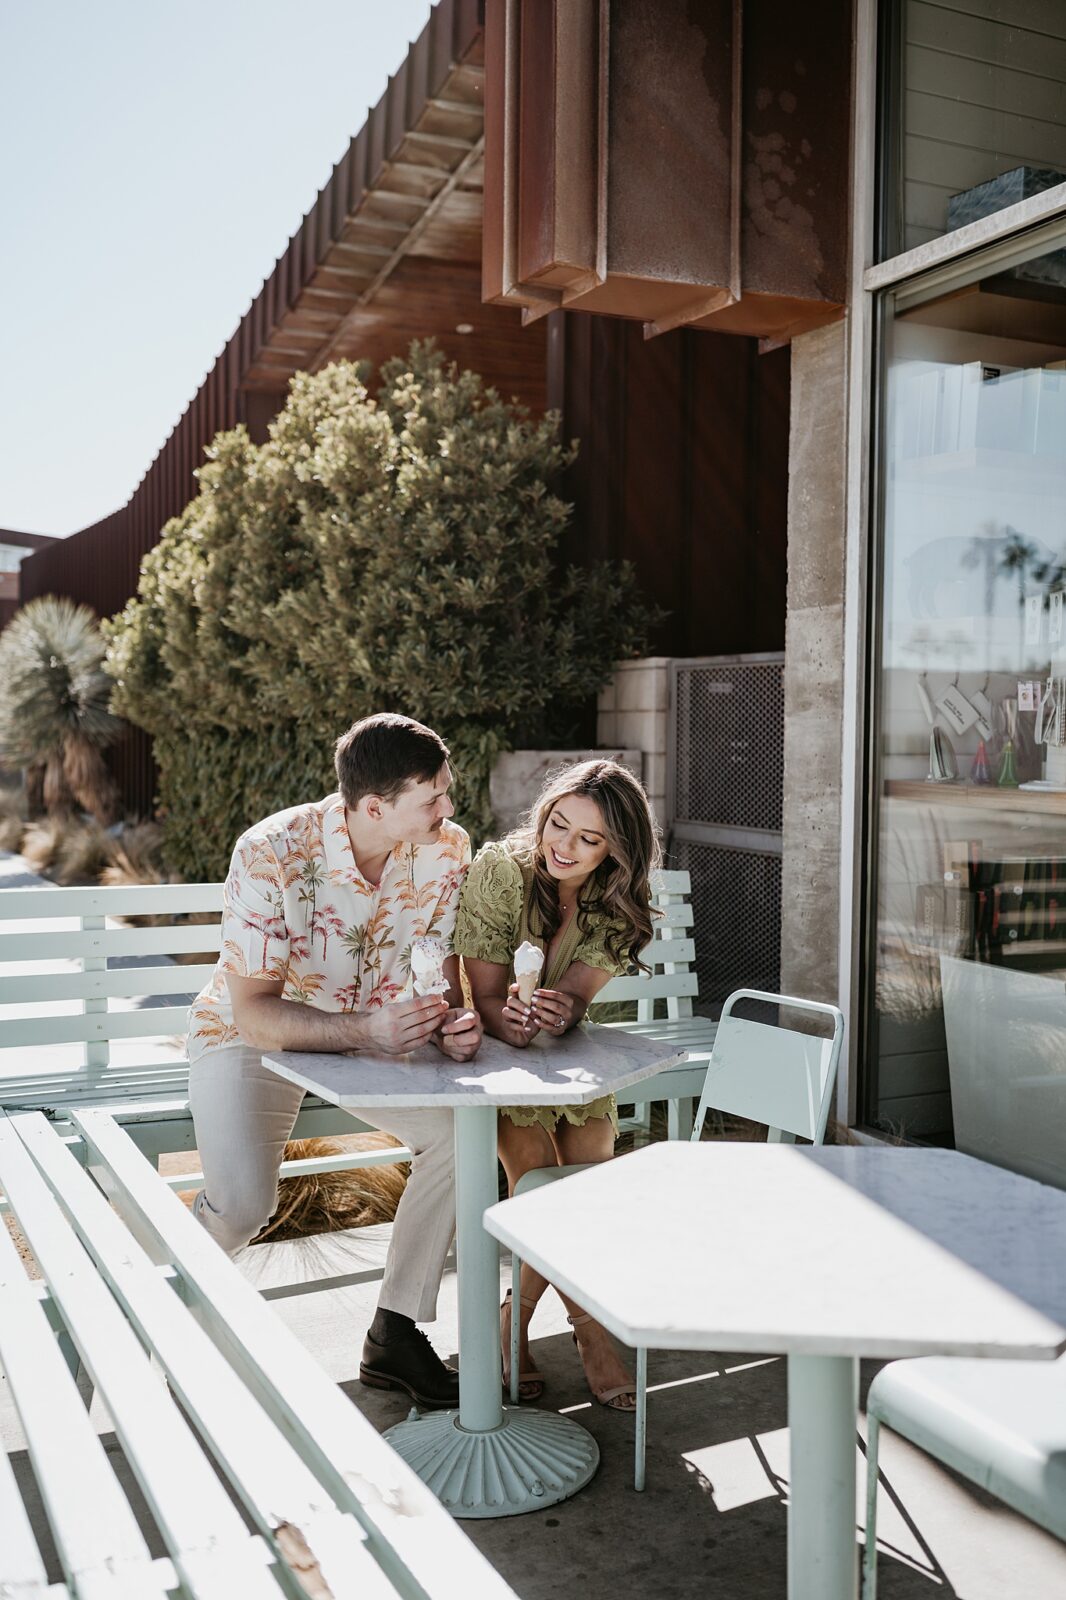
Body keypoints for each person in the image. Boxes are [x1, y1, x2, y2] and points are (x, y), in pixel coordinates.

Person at [186, 712, 482, 1409]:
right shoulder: (271, 850)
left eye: (446, 792)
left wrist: (449, 1022)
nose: (449, 809)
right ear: (373, 807)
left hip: (376, 1033)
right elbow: (255, 1011)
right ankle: (159, 1290)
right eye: (432, 798)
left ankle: (395, 1332)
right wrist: (367, 1030)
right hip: (251, 1035)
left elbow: (436, 970)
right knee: (242, 1206)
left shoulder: (448, 849)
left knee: (460, 1138)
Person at [453, 758, 660, 1410]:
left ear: (616, 852)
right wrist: (509, 1019)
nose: (562, 847)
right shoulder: (500, 872)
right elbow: (482, 996)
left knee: (588, 1184)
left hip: (569, 1058)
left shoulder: (613, 903)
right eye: (558, 825)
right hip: (491, 1055)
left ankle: (511, 1323)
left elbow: (575, 999)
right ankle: (593, 1336)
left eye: (587, 839)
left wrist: (562, 1008)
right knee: (539, 1183)